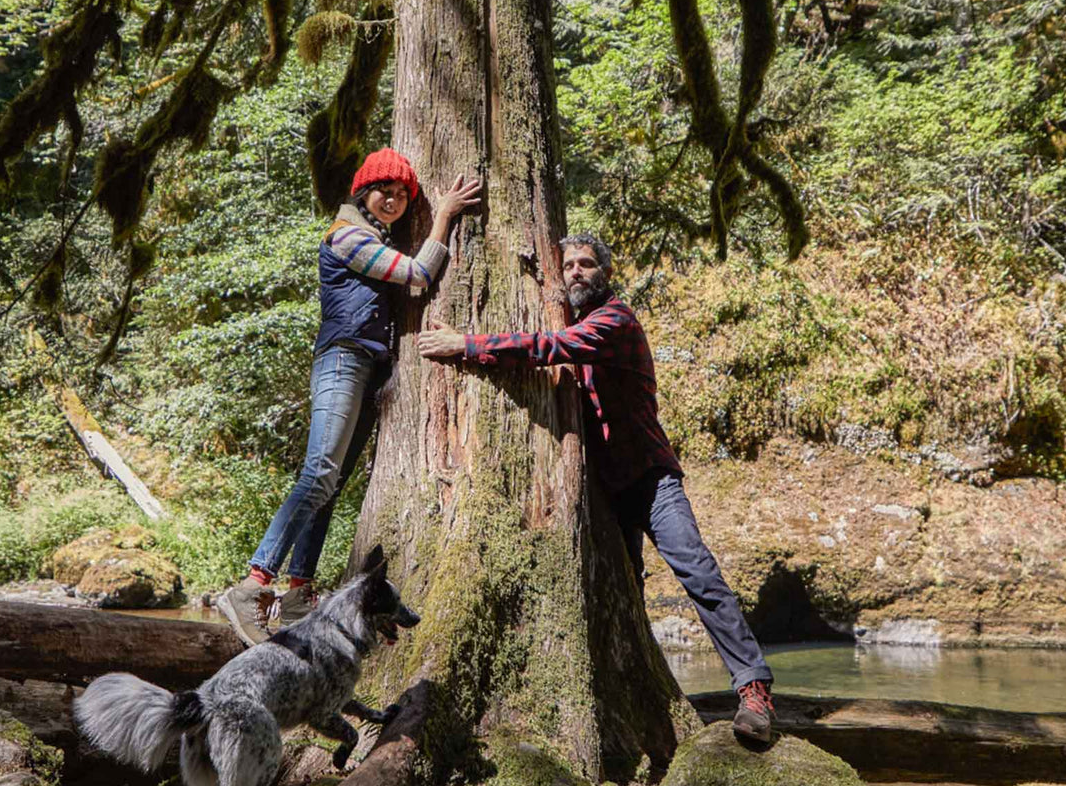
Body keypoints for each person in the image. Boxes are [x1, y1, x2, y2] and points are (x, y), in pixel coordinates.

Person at [412, 232, 776, 743]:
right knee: (624, 588)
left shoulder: (615, 322)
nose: (577, 271)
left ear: (604, 273)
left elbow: (549, 347)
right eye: (569, 266)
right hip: (604, 490)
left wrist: (467, 345)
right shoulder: (580, 322)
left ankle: (754, 692)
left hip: (651, 479)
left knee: (699, 575)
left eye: (587, 264)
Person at [216, 149, 482, 647]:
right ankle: (252, 586)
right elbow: (419, 275)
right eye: (385, 191)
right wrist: (443, 214)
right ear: (363, 193)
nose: (394, 200)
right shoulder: (347, 236)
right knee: (319, 472)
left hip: (368, 367)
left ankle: (298, 593)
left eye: (404, 195)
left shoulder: (374, 235)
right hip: (342, 360)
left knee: (332, 484)